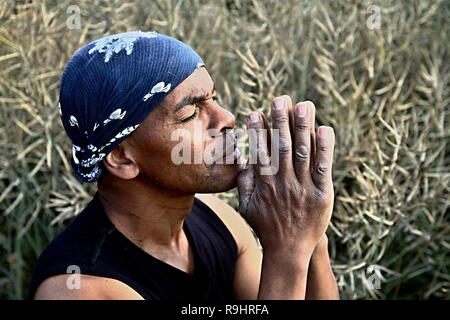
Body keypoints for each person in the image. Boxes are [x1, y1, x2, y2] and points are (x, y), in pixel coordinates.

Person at [28, 31, 339, 300]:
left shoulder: (220, 220)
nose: (225, 119)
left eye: (213, 99)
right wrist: (287, 251)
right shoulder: (81, 288)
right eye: (190, 113)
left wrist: (308, 229)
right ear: (122, 156)